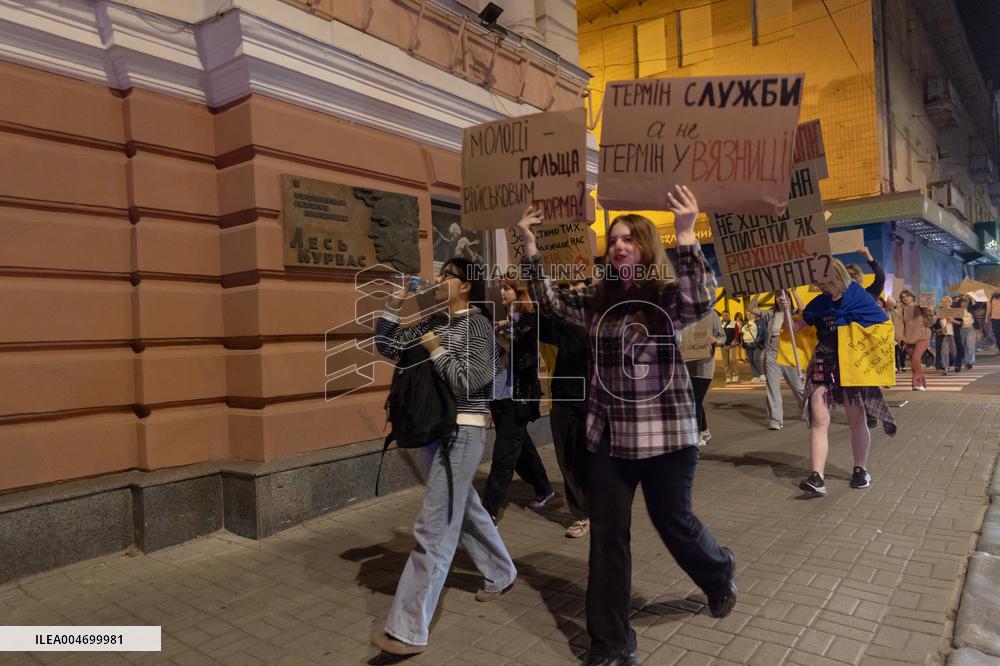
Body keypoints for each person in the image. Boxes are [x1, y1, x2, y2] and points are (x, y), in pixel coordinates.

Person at [519, 186, 736, 666]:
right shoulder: (597, 300)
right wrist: (531, 248)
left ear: (644, 247)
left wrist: (684, 232)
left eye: (628, 239)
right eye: (613, 239)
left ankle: (718, 573)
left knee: (673, 523)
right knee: (607, 538)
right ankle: (612, 644)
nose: (617, 245)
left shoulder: (665, 296)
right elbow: (552, 303)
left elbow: (700, 301)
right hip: (611, 439)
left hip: (666, 437)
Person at [372, 258, 517, 656]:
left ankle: (407, 629)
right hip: (438, 431)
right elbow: (387, 346)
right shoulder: (434, 322)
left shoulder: (477, 325)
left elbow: (473, 381)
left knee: (435, 526)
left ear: (466, 286)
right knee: (464, 508)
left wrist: (435, 350)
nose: (437, 281)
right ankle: (501, 572)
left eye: (446, 276)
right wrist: (395, 303)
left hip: (465, 431)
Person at [793, 258, 897, 497]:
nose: (822, 285)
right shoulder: (818, 303)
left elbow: (880, 325)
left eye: (825, 280)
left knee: (856, 419)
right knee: (819, 419)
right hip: (824, 362)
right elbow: (798, 326)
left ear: (836, 275)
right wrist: (791, 321)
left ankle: (861, 470)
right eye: (819, 281)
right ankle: (817, 476)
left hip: (851, 365)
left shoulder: (857, 296)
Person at [483, 276, 555, 524]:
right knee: (520, 447)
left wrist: (499, 333)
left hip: (519, 397)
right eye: (501, 287)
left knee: (503, 455)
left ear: (519, 292)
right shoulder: (498, 321)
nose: (502, 292)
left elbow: (523, 355)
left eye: (507, 288)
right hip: (499, 396)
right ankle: (544, 487)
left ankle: (488, 510)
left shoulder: (529, 319)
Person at [540, 281, 591, 539]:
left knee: (590, 459)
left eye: (578, 288)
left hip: (593, 401)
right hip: (562, 399)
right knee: (567, 460)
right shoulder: (557, 320)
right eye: (568, 288)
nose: (573, 292)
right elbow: (540, 320)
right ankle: (581, 514)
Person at [749, 291, 805, 431]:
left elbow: (802, 309)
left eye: (784, 297)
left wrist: (793, 291)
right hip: (772, 352)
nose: (780, 299)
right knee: (772, 387)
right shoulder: (770, 314)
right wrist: (757, 293)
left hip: (789, 352)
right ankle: (775, 419)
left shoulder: (794, 313)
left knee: (798, 386)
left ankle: (807, 409)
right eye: (778, 297)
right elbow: (751, 309)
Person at [683, 310, 723, 446]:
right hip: (685, 364)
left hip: (704, 366)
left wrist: (716, 340)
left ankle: (696, 437)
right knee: (694, 401)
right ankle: (704, 430)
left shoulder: (711, 315)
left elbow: (722, 337)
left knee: (694, 400)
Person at [896, 290, 935, 391]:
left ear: (912, 297)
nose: (905, 298)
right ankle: (920, 384)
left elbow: (930, 320)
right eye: (903, 297)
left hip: (923, 336)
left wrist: (931, 313)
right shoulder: (901, 311)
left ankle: (917, 383)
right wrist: (899, 338)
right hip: (908, 339)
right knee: (913, 362)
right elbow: (899, 325)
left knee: (915, 359)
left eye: (907, 296)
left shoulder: (920, 307)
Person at [933, 295, 958, 375]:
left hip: (952, 334)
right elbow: (934, 324)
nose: (944, 303)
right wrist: (938, 319)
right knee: (944, 352)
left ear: (950, 303)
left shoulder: (954, 311)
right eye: (942, 301)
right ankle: (945, 368)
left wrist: (953, 320)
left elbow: (960, 323)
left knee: (954, 352)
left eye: (946, 301)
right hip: (942, 334)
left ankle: (954, 364)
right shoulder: (938, 312)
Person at [741, 310, 765, 382]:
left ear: (755, 315)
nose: (749, 316)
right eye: (747, 314)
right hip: (747, 343)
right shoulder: (745, 323)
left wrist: (763, 341)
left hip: (757, 343)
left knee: (756, 359)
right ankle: (755, 376)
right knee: (751, 360)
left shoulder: (759, 322)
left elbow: (763, 332)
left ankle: (761, 374)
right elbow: (742, 333)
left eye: (751, 314)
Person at [720, 310, 740, 384]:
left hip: (732, 345)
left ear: (729, 315)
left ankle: (735, 374)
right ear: (722, 316)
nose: (725, 316)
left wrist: (734, 340)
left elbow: (737, 333)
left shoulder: (733, 323)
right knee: (725, 362)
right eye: (724, 315)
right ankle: (728, 377)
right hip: (723, 345)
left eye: (727, 315)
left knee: (732, 360)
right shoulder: (719, 324)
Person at [957, 296, 976, 369]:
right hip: (961, 329)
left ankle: (970, 362)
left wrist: (972, 298)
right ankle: (966, 361)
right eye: (963, 302)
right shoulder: (957, 310)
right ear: (960, 303)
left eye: (966, 302)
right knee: (963, 346)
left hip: (970, 328)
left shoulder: (971, 309)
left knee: (970, 346)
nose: (965, 303)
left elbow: (978, 305)